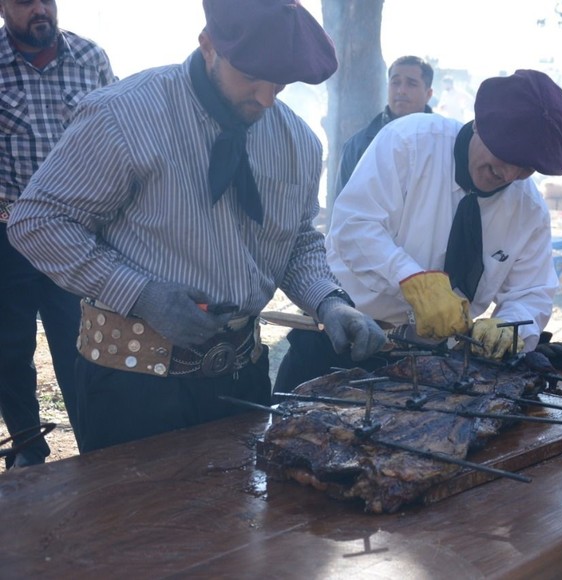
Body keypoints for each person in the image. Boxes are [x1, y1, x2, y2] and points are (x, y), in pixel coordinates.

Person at [7, 0, 385, 454]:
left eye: (280, 82)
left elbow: (298, 241)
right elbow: (39, 220)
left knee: (240, 521)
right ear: (208, 46)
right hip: (132, 386)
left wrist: (330, 302)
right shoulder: (124, 116)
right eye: (251, 76)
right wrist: (141, 294)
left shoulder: (297, 142)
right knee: (135, 523)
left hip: (241, 380)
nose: (266, 98)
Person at [275, 69, 562, 390]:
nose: (509, 172)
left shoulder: (528, 209)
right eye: (504, 155)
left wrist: (510, 324)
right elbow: (354, 227)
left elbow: (531, 292)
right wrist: (409, 278)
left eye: (527, 167)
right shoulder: (409, 143)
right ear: (479, 123)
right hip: (343, 337)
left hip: (433, 364)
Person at [0, 0, 114, 468]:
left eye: (45, 0)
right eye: (25, 3)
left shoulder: (91, 59)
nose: (39, 10)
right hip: (9, 235)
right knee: (10, 346)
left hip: (77, 236)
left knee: (82, 344)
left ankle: (95, 445)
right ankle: (28, 446)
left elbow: (117, 136)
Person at [327, 55, 433, 221]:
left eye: (411, 84)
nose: (401, 90)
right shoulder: (359, 146)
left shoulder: (445, 143)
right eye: (395, 82)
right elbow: (344, 214)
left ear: (428, 94)